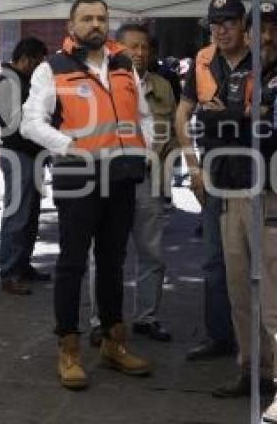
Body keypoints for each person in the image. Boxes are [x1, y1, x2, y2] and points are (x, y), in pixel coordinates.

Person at [21, 0, 154, 390]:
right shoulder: (52, 69)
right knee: (73, 264)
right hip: (78, 179)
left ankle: (114, 344)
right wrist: (69, 147)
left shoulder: (124, 64)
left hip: (122, 177)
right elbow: (30, 122)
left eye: (101, 18)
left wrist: (143, 150)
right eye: (87, 18)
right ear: (71, 26)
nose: (95, 24)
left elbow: (144, 115)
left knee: (113, 261)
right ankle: (69, 349)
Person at [209, 1, 277, 423]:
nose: (266, 37)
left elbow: (273, 132)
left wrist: (232, 120)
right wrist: (242, 117)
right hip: (234, 194)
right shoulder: (239, 77)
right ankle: (252, 371)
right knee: (241, 295)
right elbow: (206, 125)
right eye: (259, 29)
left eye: (275, 29)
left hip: (275, 199)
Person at [89, 23, 177, 343]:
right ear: (116, 48)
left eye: (144, 47)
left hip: (148, 180)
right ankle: (102, 319)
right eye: (132, 47)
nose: (139, 53)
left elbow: (172, 136)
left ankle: (147, 317)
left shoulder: (163, 87)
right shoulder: (99, 84)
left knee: (152, 252)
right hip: (110, 180)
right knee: (107, 253)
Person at [175, 0, 250, 362]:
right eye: (215, 23)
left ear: (244, 23)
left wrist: (227, 115)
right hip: (215, 173)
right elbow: (182, 116)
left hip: (257, 174)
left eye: (229, 22)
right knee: (214, 260)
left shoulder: (262, 59)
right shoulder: (203, 61)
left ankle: (255, 341)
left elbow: (267, 118)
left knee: (256, 262)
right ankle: (220, 336)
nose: (221, 29)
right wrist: (193, 168)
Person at [0, 37, 49, 296]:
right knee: (17, 214)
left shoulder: (23, 81)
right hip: (19, 153)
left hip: (32, 154)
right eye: (38, 61)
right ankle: (9, 271)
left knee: (30, 214)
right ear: (28, 58)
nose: (40, 67)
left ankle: (23, 264)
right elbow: (14, 124)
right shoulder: (8, 81)